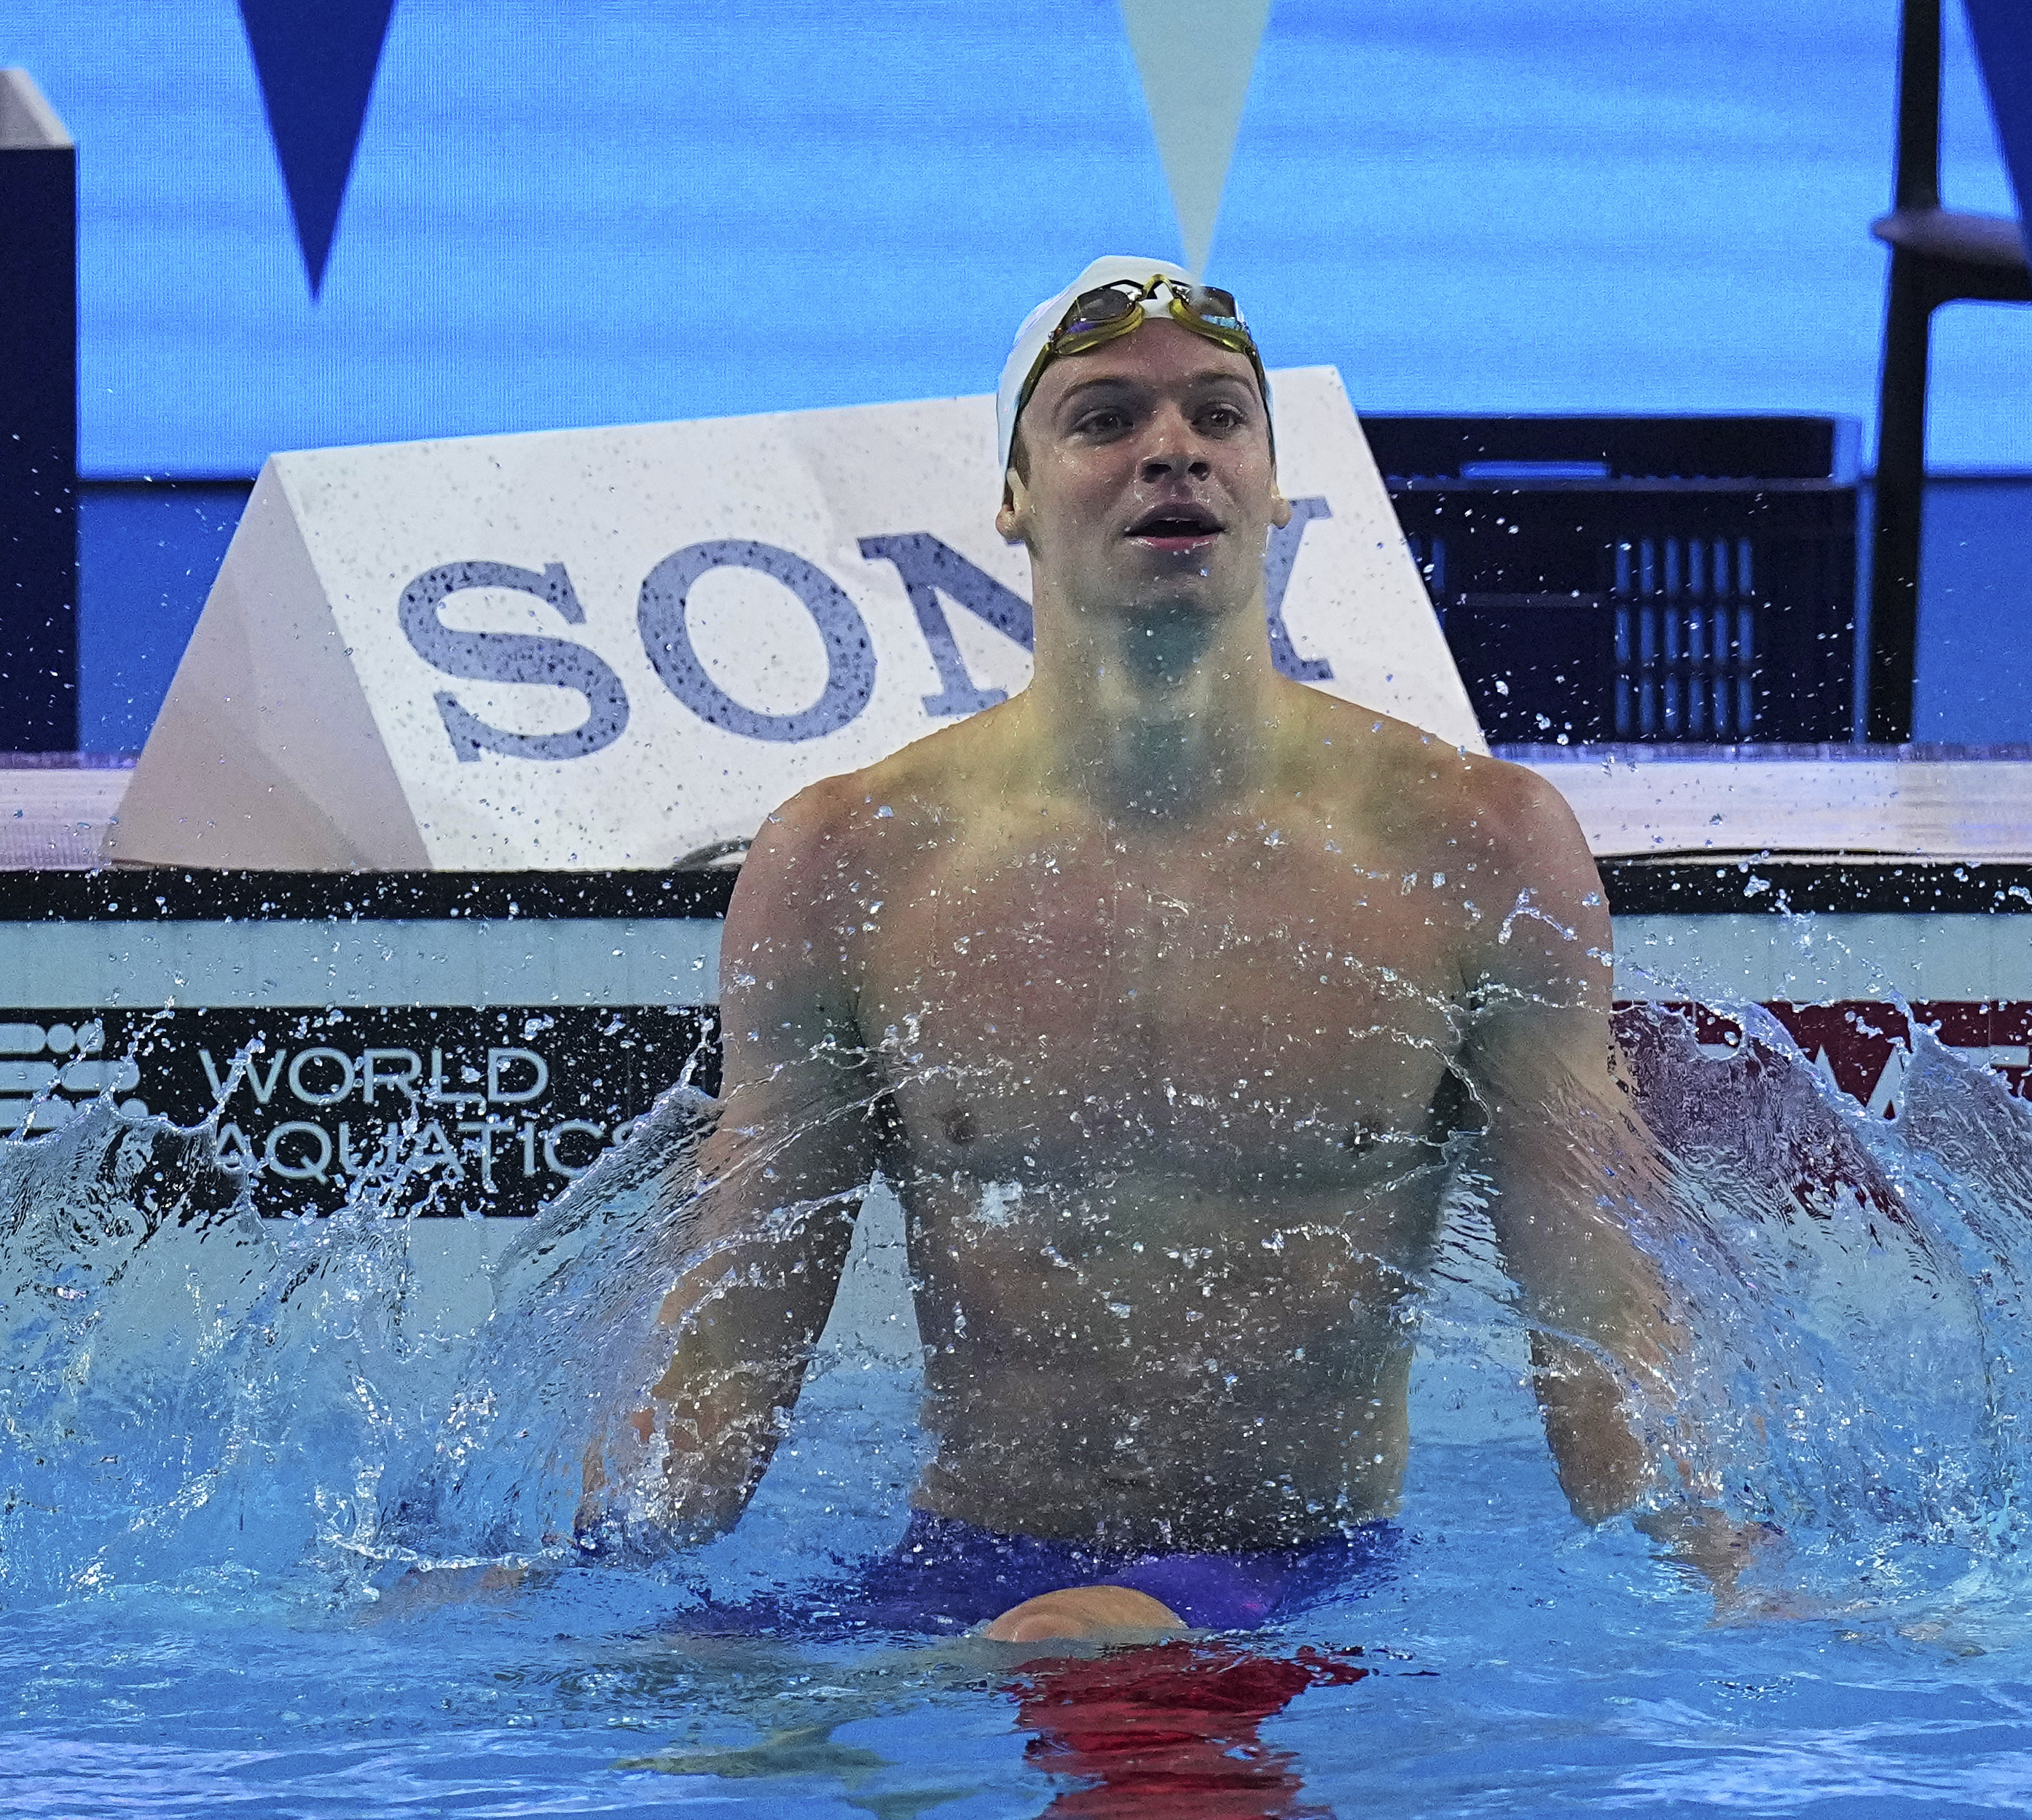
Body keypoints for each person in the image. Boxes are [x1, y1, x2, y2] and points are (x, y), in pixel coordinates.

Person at [586, 256, 1747, 1640]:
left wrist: (1724, 1564)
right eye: (1102, 421)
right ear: (1011, 496)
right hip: (951, 1586)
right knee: (693, 1711)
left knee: (1076, 1643)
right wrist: (571, 1584)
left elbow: (1602, 1312)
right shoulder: (851, 863)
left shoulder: (1471, 844)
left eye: (1217, 415)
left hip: (1301, 1605)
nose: (1171, 452)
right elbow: (729, 1353)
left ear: (1270, 481)